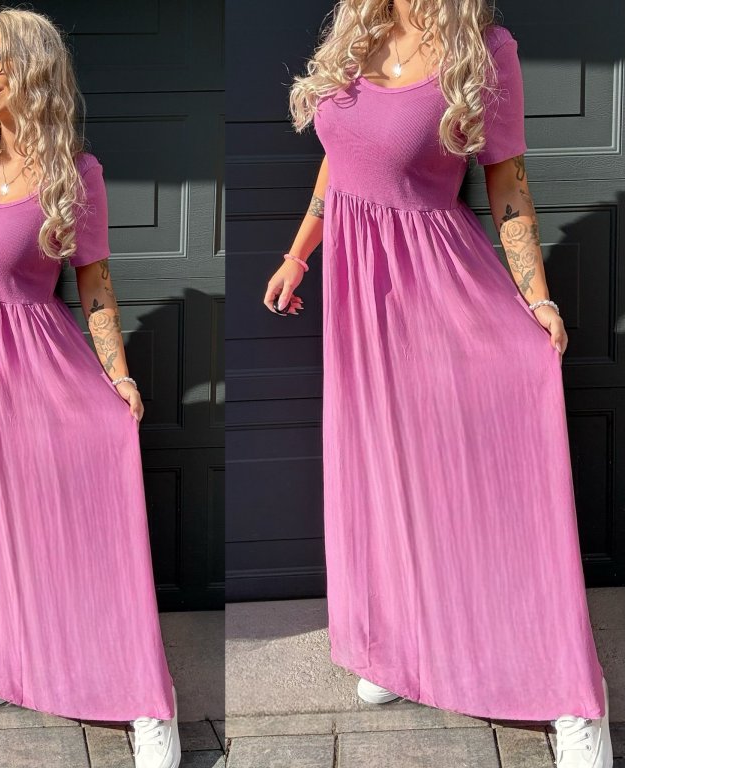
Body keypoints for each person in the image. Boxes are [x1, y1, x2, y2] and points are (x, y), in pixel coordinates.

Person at [263, 2, 611, 766]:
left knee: (497, 488)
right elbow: (341, 156)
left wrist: (538, 298)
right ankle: (400, 648)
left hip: (439, 285)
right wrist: (298, 252)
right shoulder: (356, 33)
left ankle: (572, 697)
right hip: (363, 297)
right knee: (389, 473)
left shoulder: (485, 50)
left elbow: (507, 184)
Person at [0, 8, 180, 768]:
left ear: (34, 66)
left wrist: (118, 375)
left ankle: (147, 702)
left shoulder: (74, 175)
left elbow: (95, 286)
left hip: (40, 365)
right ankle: (8, 660)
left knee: (88, 529)